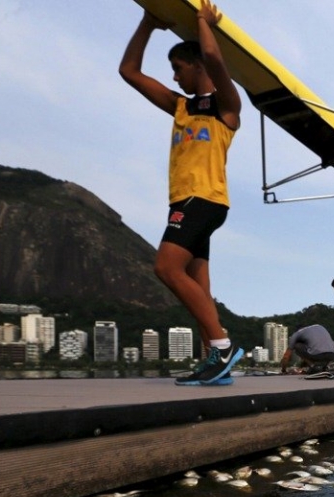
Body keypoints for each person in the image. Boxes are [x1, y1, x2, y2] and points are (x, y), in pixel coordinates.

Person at [119, 1, 244, 386]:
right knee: (199, 286)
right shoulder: (180, 108)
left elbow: (210, 54)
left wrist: (205, 23)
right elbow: (129, 71)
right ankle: (216, 363)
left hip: (203, 200)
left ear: (197, 67)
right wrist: (147, 23)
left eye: (178, 68)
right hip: (186, 203)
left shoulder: (227, 108)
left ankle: (222, 347)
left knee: (166, 268)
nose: (174, 78)